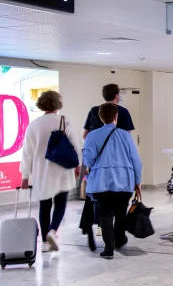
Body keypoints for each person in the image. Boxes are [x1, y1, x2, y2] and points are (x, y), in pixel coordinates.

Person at [20, 91, 82, 253]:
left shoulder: (34, 125)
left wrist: (25, 175)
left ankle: (44, 243)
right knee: (61, 202)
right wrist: (78, 164)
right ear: (58, 104)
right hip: (62, 169)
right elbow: (76, 144)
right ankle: (53, 231)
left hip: (42, 171)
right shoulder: (64, 121)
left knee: (44, 205)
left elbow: (27, 152)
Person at [84, 103, 142, 260]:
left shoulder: (92, 135)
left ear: (100, 117)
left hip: (102, 182)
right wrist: (138, 181)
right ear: (116, 117)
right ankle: (119, 239)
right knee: (121, 212)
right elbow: (136, 160)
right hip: (124, 181)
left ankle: (109, 248)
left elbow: (89, 159)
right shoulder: (125, 135)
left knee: (106, 214)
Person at [82, 83, 135, 237]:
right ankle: (117, 233)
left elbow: (85, 135)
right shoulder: (123, 112)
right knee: (119, 196)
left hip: (97, 163)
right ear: (117, 95)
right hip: (119, 163)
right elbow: (128, 139)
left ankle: (101, 225)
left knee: (100, 194)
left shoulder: (94, 111)